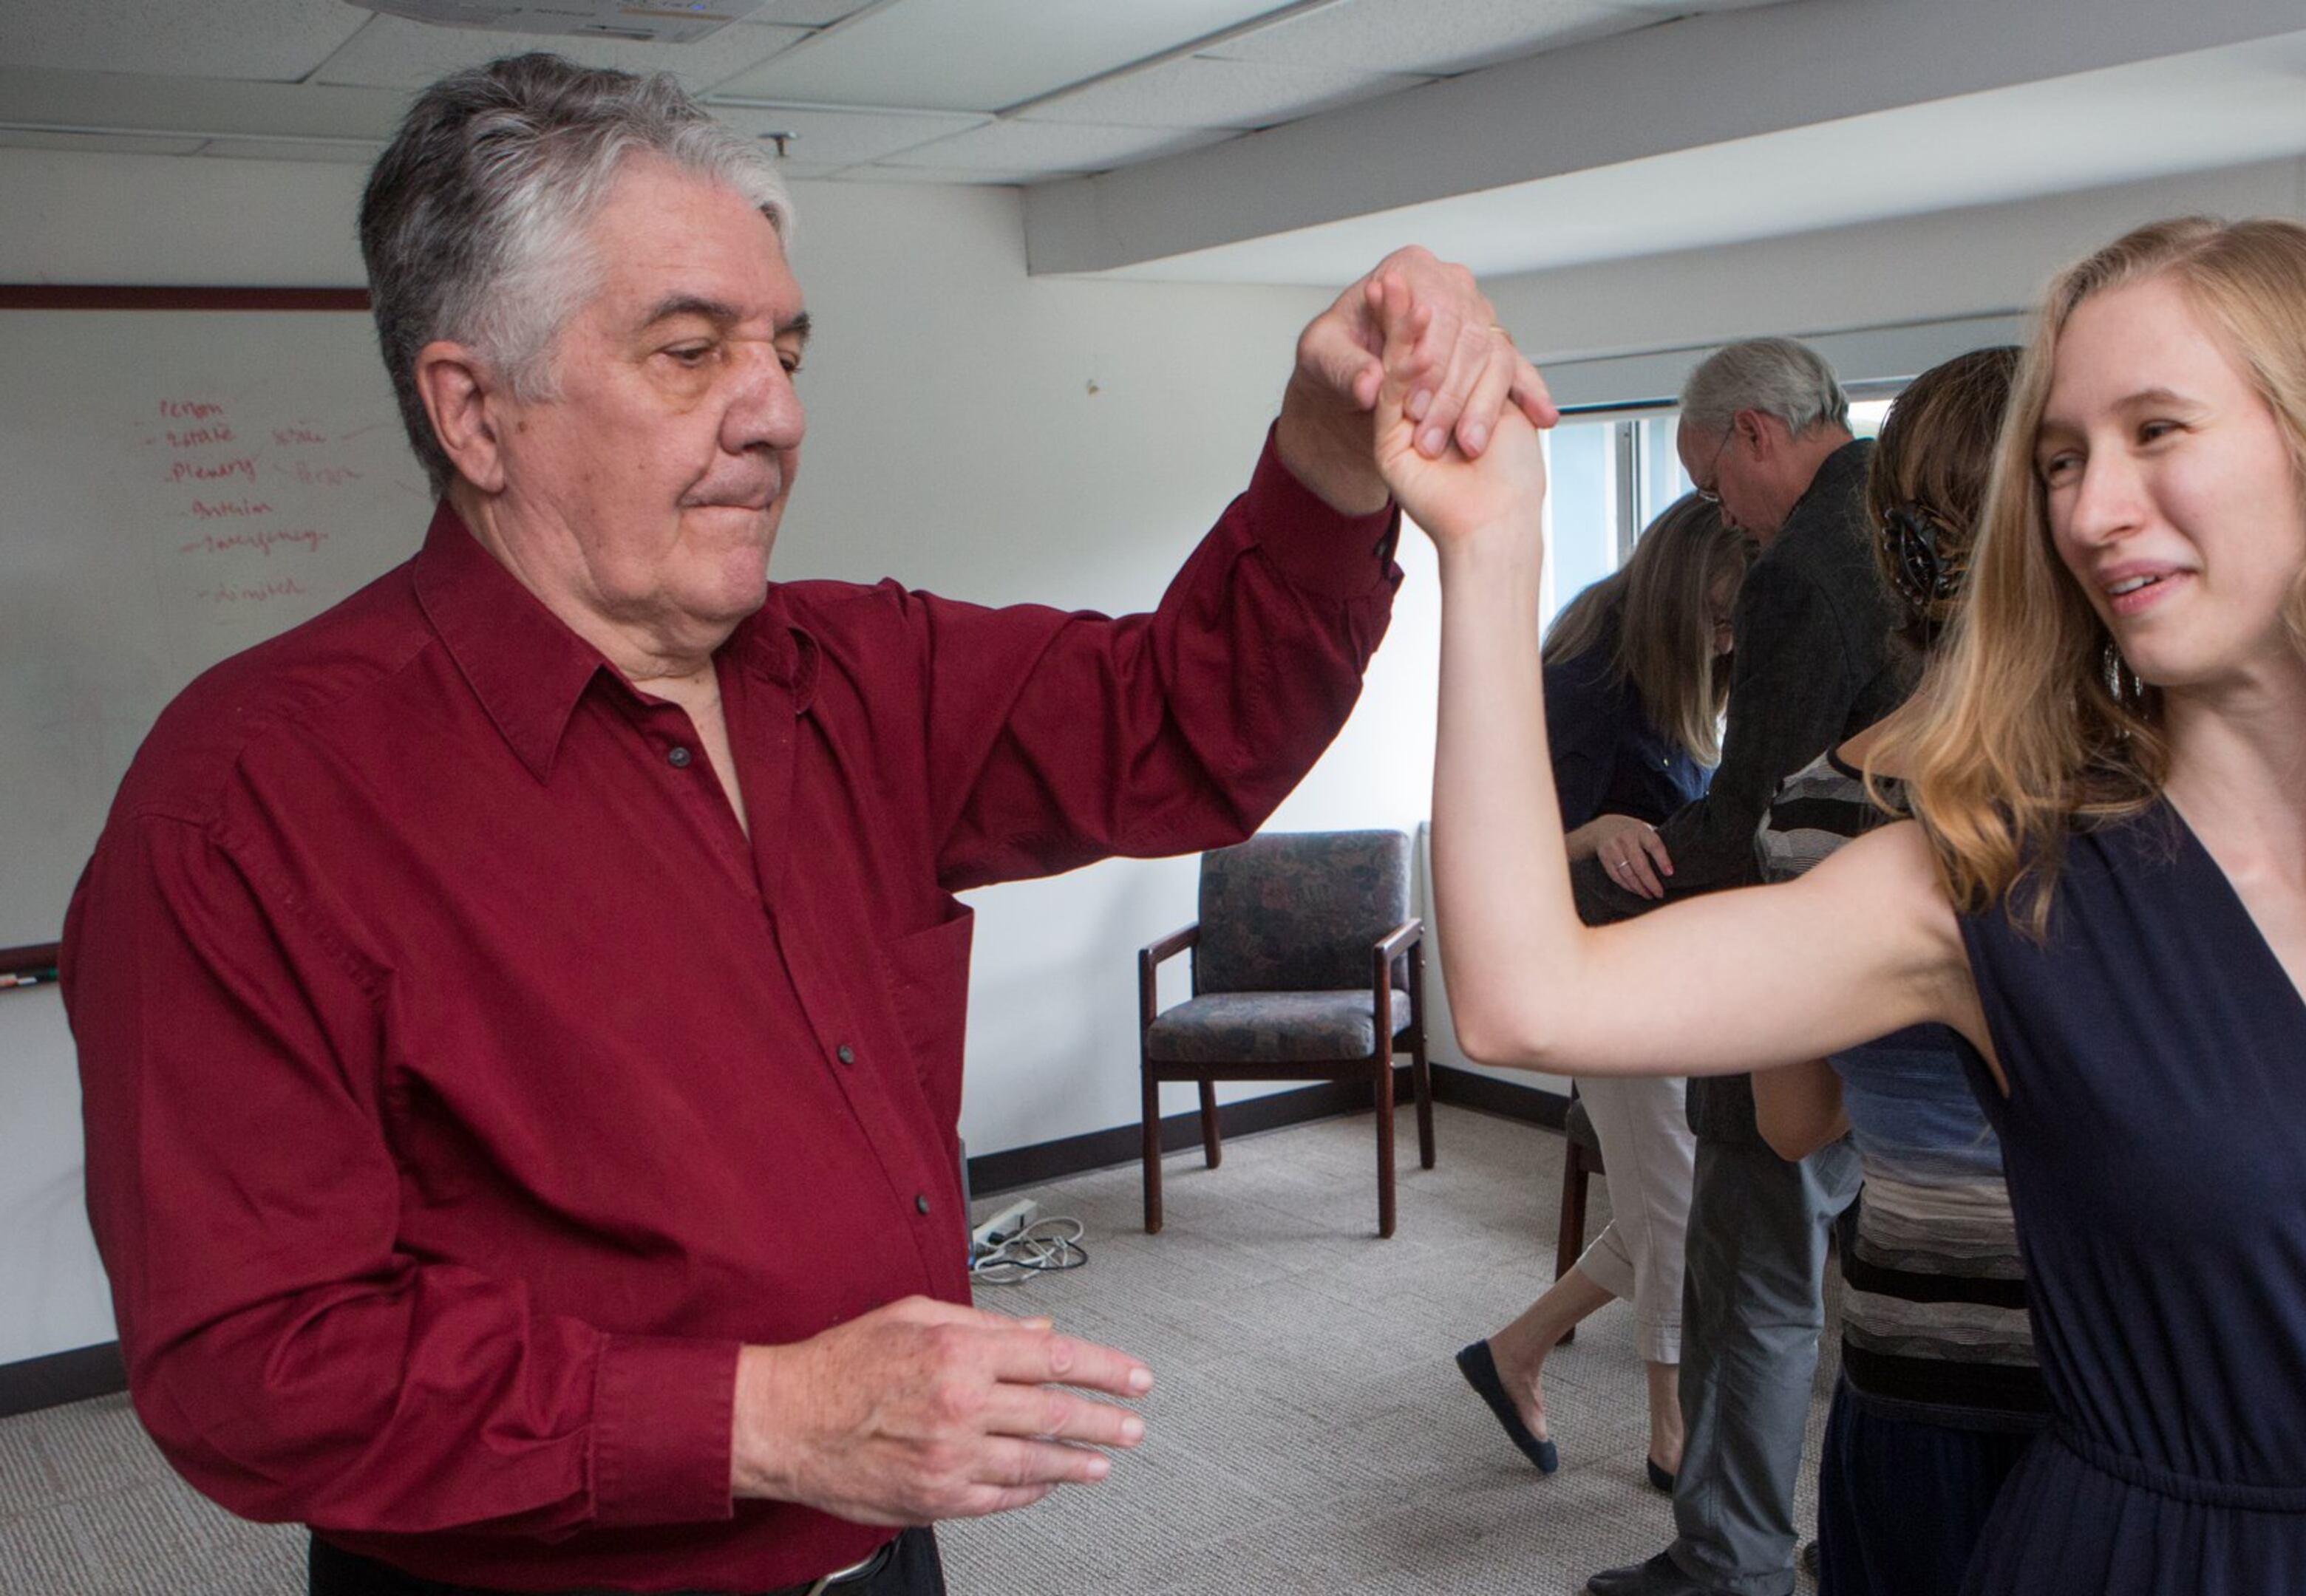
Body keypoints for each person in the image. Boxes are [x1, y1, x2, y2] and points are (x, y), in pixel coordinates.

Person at [60, 53, 1547, 1596]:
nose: (775, 414)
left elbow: (1193, 727)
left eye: (784, 349)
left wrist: (1323, 450)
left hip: (882, 1554)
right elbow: (253, 1367)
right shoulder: (247, 803)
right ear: (475, 413)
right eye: (690, 352)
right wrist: (762, 1419)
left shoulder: (857, 672)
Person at [1387, 216, 2306, 1594]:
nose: (2091, 508)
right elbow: (1529, 996)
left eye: (2158, 431)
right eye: (2065, 459)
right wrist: (1490, 551)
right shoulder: (1994, 879)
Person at [1575, 338, 1908, 1596]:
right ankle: (1846, 1538)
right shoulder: (1916, 520)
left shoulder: (1807, 566)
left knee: (1756, 1285)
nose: (1724, 517)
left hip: (1798, 970)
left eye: (1716, 487)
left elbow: (1755, 807)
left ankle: (1728, 1563)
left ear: (1759, 436)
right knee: (1880, 1295)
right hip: (1921, 975)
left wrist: (1604, 896)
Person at [1746, 345, 2038, 1596]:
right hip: (2111, 1382)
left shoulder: (1813, 809)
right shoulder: (2151, 802)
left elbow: (1795, 1119)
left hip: (1906, 1370)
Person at [1456, 494, 1746, 1490]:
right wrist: (1593, 832)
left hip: (1668, 964)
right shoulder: (1587, 674)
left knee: (1672, 1199)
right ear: (1672, 593)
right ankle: (1671, 1432)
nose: (1726, 638)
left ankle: (1515, 1352)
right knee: (1677, 1206)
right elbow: (1509, 833)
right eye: (1714, 615)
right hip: (1601, 969)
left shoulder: (1684, 672)